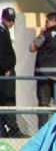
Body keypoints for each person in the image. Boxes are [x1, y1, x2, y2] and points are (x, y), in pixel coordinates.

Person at [0, 7, 26, 137]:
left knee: (6, 99)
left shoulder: (4, 31)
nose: (11, 23)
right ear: (2, 18)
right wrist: (5, 68)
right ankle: (11, 129)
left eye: (12, 20)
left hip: (6, 71)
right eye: (8, 20)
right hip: (5, 72)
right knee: (8, 100)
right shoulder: (1, 31)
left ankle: (5, 129)